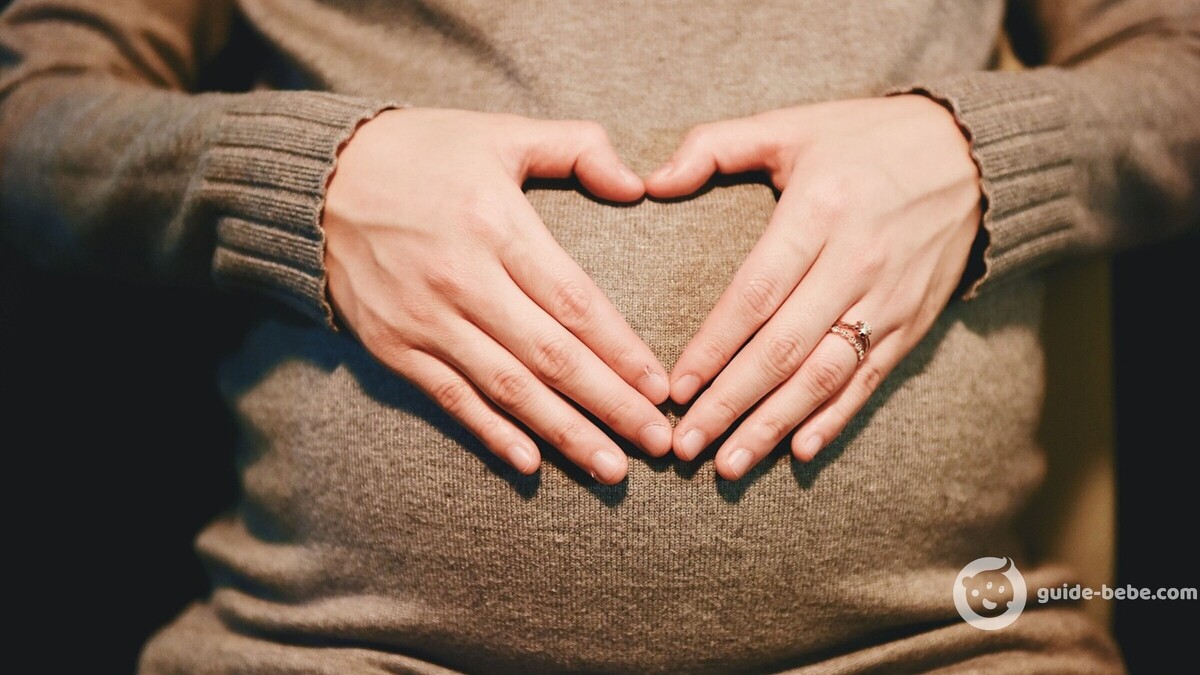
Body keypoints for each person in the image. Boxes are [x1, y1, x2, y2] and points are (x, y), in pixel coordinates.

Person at [1, 0, 1196, 671]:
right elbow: (31, 110)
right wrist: (298, 181)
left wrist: (985, 155)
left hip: (945, 650)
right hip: (328, 653)